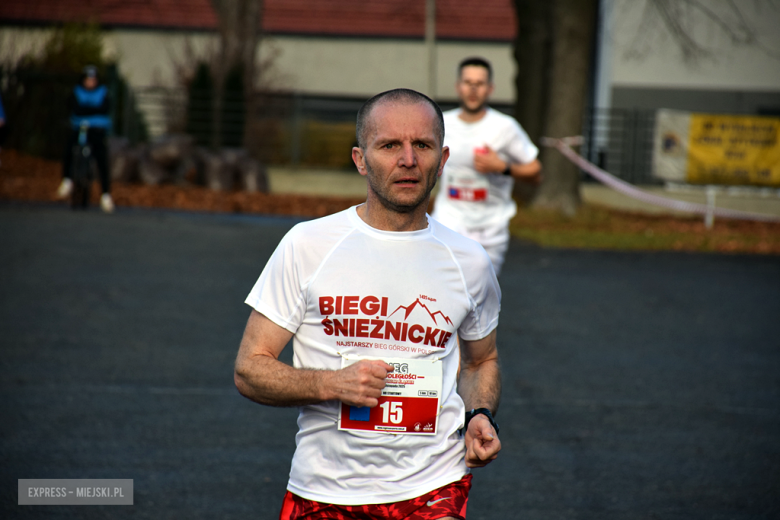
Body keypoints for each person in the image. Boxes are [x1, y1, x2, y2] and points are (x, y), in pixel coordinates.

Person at [235, 88, 502, 520]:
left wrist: (481, 413)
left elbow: (479, 362)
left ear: (443, 158)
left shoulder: (470, 261)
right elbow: (250, 368)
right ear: (360, 159)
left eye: (423, 145)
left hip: (433, 487)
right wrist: (330, 384)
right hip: (323, 489)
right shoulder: (308, 245)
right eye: (390, 145)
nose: (408, 160)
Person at [432, 57, 542, 276]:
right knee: (446, 292)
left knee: (481, 299)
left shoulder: (505, 127)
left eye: (479, 83)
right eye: (468, 82)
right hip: (449, 221)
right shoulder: (441, 123)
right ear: (458, 86)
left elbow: (536, 172)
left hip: (490, 228)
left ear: (490, 88)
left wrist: (502, 167)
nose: (473, 89)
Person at [56, 65, 114, 213]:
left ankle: (106, 194)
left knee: (101, 160)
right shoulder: (77, 91)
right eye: (88, 79)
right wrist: (93, 110)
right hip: (79, 128)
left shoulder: (103, 92)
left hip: (97, 130)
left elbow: (104, 108)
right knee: (69, 150)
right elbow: (76, 108)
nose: (91, 82)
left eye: (93, 79)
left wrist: (85, 109)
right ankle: (67, 180)